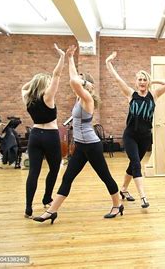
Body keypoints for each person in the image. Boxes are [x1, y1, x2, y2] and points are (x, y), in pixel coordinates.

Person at [33, 45, 123, 224]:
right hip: (81, 145)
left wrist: (83, 82)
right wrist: (70, 58)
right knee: (68, 177)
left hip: (92, 144)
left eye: (82, 81)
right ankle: (52, 211)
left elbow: (74, 81)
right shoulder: (79, 97)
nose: (78, 81)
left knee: (104, 176)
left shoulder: (87, 99)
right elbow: (73, 78)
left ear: (87, 85)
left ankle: (117, 204)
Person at [105, 51, 165, 208]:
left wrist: (152, 80)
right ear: (136, 82)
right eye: (140, 80)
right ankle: (143, 197)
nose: (142, 82)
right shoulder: (130, 94)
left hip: (145, 137)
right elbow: (116, 78)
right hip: (130, 135)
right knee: (136, 164)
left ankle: (123, 189)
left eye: (144, 80)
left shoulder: (153, 95)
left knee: (133, 164)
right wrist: (108, 62)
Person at [21, 44, 65, 218]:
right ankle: (47, 197)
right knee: (54, 169)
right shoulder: (48, 97)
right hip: (50, 136)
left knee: (34, 172)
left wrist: (35, 80)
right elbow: (57, 75)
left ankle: (28, 208)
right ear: (45, 85)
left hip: (35, 136)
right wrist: (62, 57)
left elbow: (25, 87)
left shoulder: (27, 97)